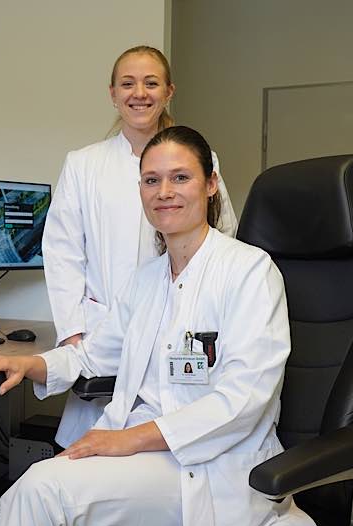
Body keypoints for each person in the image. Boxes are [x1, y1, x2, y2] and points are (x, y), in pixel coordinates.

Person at [0, 126, 319, 526]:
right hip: (145, 456)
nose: (164, 191)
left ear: (211, 184)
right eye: (152, 180)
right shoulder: (146, 279)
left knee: (41, 490)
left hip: (211, 463)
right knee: (42, 488)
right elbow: (92, 355)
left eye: (180, 177)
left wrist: (126, 440)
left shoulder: (250, 270)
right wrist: (29, 364)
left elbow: (243, 400)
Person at [42, 45, 238, 448]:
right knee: (93, 450)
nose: (139, 93)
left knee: (170, 438)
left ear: (169, 91)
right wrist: (74, 334)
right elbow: (62, 252)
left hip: (176, 331)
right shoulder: (84, 164)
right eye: (128, 84)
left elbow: (223, 234)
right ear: (112, 93)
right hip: (101, 333)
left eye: (152, 83)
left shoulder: (201, 158)